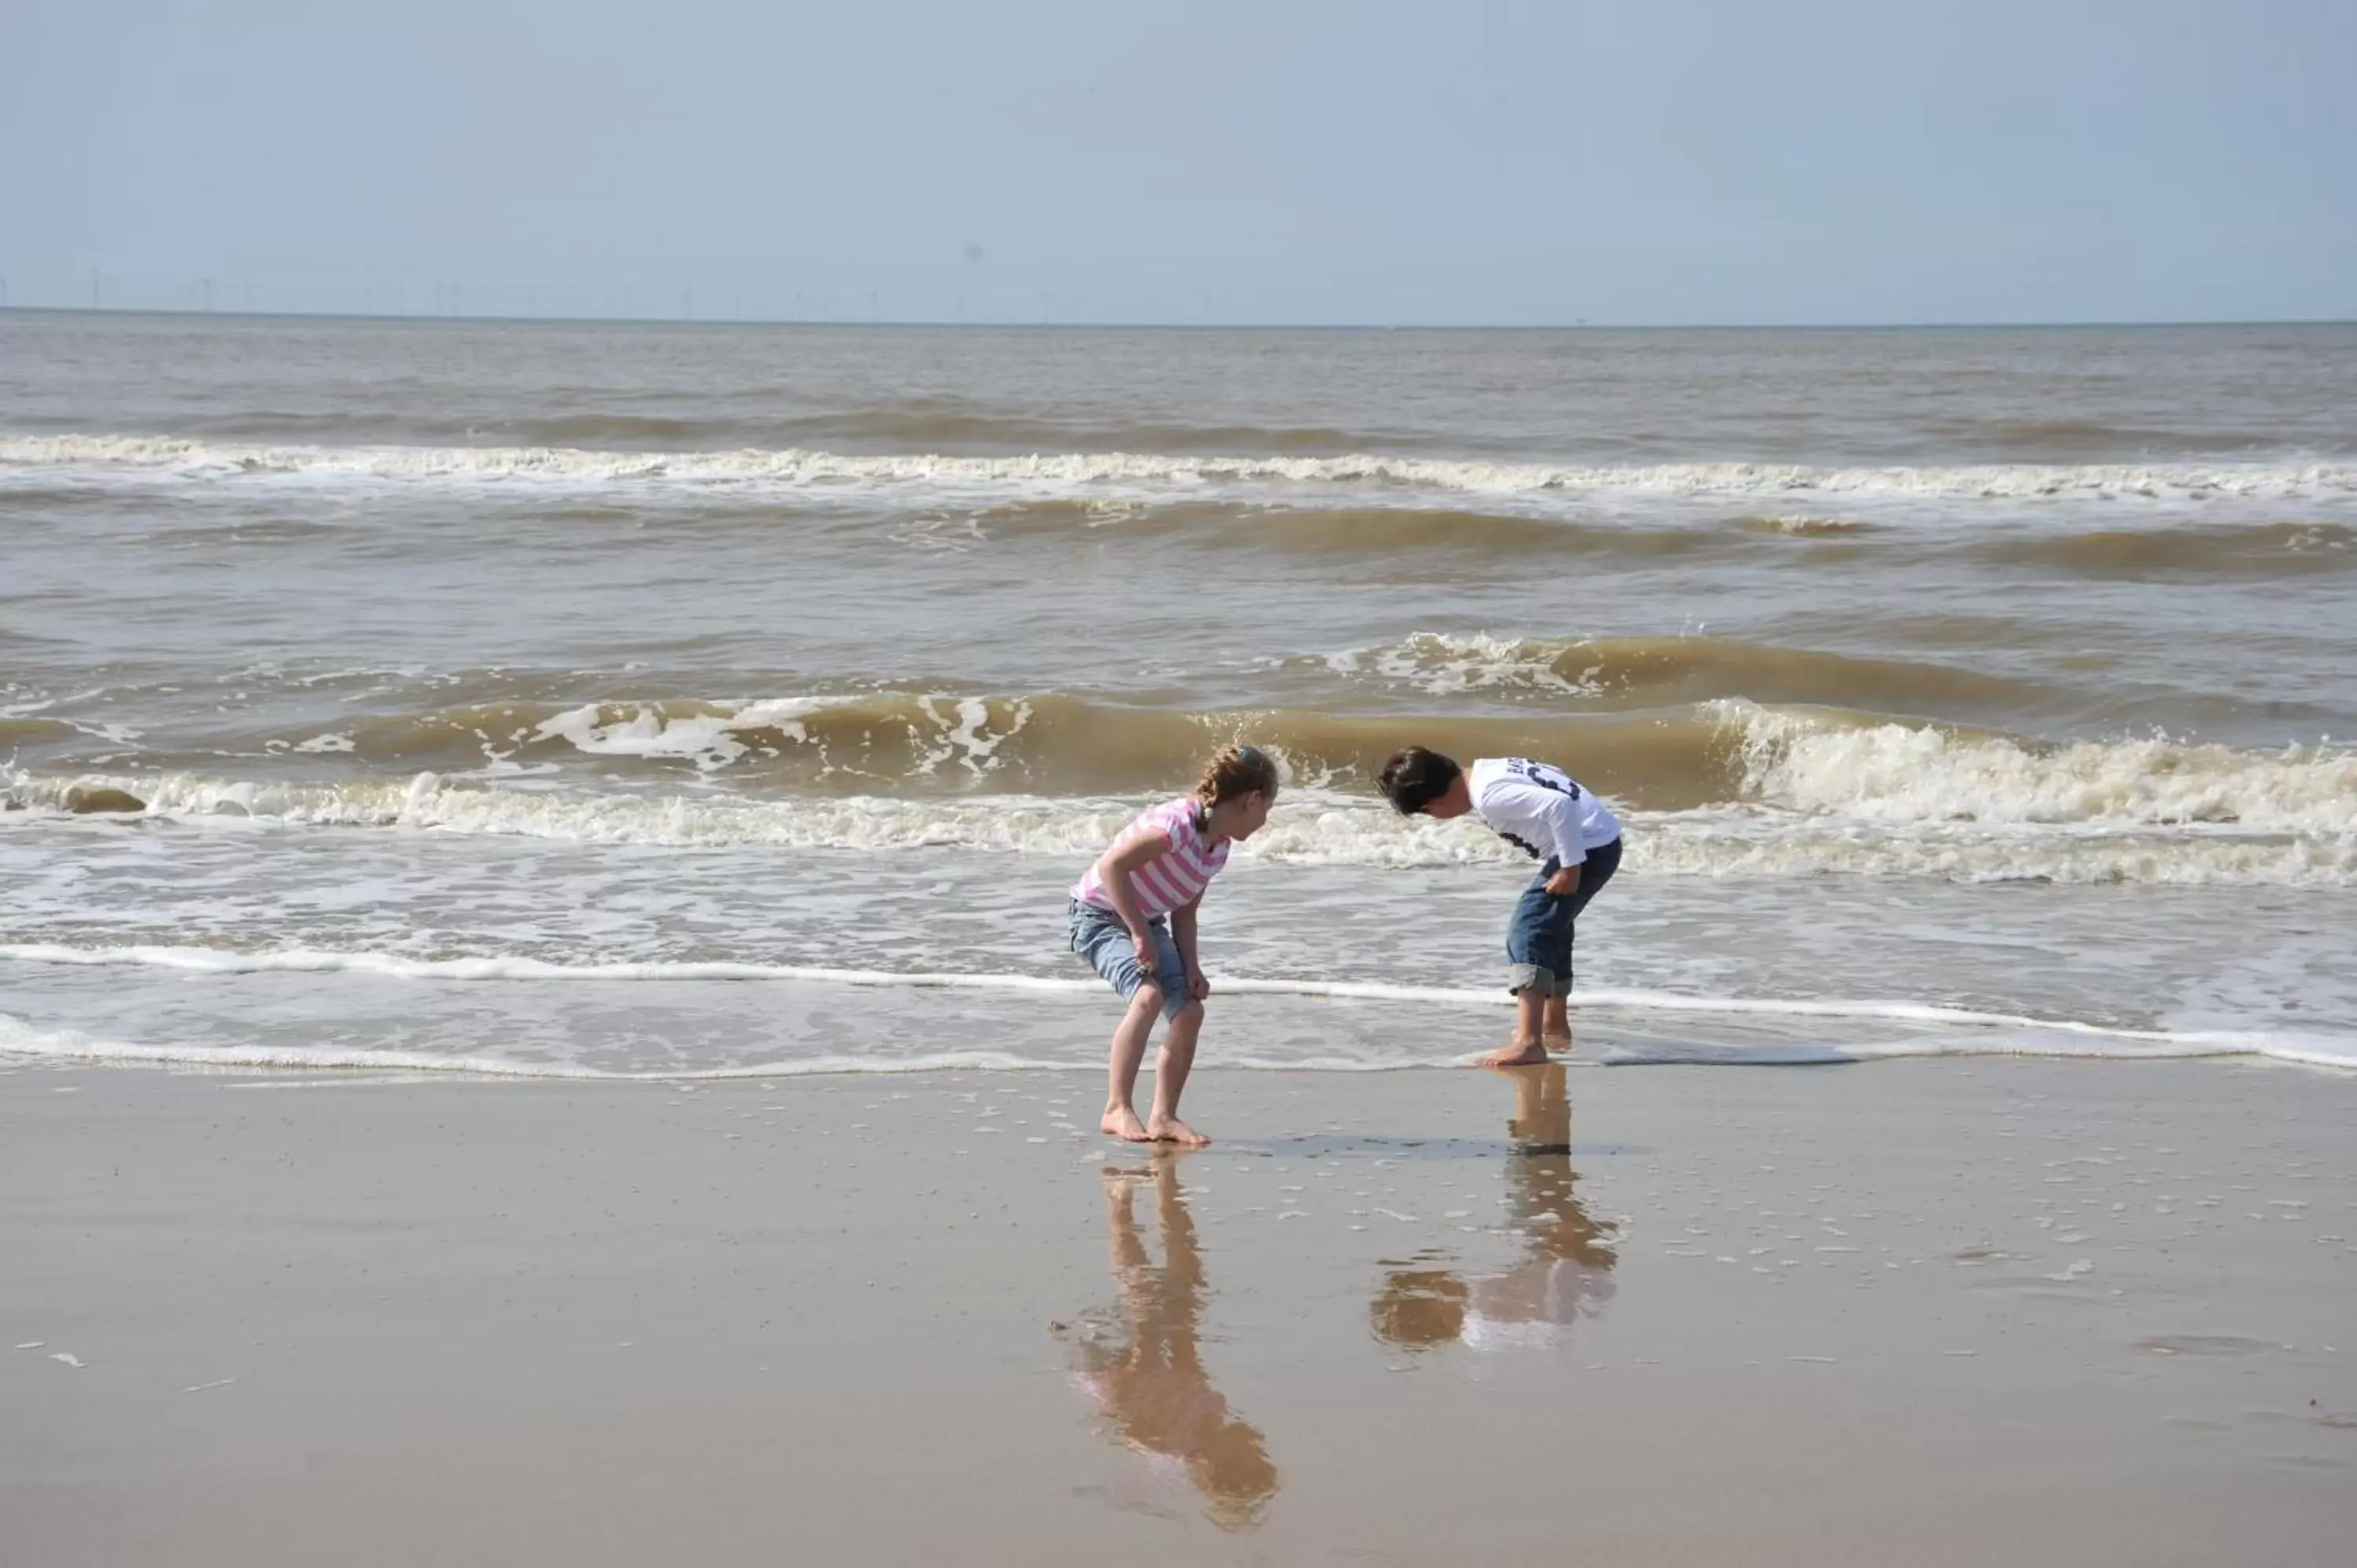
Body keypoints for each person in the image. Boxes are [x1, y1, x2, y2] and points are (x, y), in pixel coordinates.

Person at [1056, 1154, 1280, 1530]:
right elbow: (1188, 1359)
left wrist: (1148, 1335)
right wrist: (1182, 1313)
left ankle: (1119, 1203)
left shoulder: (1165, 1446)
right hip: (1148, 1373)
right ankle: (1167, 1199)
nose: (1255, 1438)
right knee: (1186, 1291)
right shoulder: (1212, 1417)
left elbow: (1120, 1402)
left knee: (1144, 1295)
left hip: (1106, 1370)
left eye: (1252, 1449)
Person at [1069, 744, 1278, 1145]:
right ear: (1252, 800)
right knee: (1147, 997)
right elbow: (1112, 866)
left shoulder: (1218, 847)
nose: (1264, 821)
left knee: (1189, 1012)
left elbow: (1183, 913)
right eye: (1267, 809)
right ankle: (1116, 1108)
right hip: (1098, 915)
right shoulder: (1177, 826)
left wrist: (1193, 967)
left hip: (1145, 920)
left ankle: (1164, 1116)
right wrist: (1138, 932)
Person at [1376, 747, 1622, 1066]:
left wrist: (1570, 866)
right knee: (1552, 928)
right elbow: (1555, 776)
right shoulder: (1488, 770)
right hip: (1598, 840)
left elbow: (1558, 804)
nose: (1433, 818)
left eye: (1425, 812)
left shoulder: (1489, 796)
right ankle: (1555, 1023)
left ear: (1435, 801)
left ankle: (1529, 1042)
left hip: (1587, 850)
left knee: (1527, 930)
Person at [1369, 1064, 1618, 1354]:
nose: (1448, 1276)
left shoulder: (1477, 1329)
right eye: (1438, 1281)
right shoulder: (1478, 1317)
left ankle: (1549, 1101)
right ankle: (1537, 1099)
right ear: (1433, 1306)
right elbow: (1559, 1324)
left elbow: (1534, 1295)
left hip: (1585, 1283)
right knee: (1527, 1187)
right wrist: (1564, 1260)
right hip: (1584, 1281)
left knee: (1537, 1193)